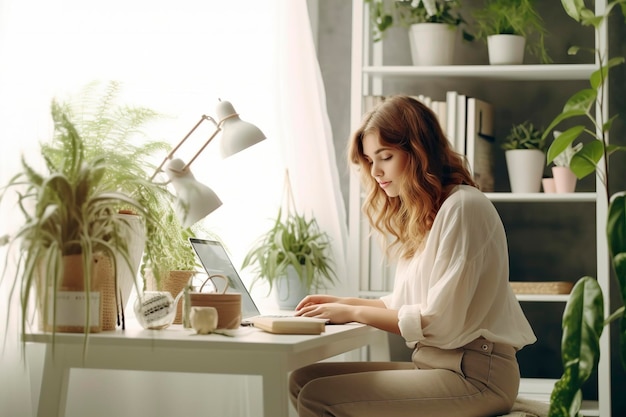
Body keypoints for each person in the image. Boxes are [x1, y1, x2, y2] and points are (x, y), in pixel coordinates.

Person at [290, 95, 536, 417]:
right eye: (369, 160)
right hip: (436, 365)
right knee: (302, 379)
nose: (376, 171)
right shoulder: (427, 215)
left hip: (476, 376)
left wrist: (353, 313)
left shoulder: (464, 207)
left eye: (386, 156)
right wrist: (344, 303)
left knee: (317, 395)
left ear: (418, 151)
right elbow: (406, 302)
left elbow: (439, 321)